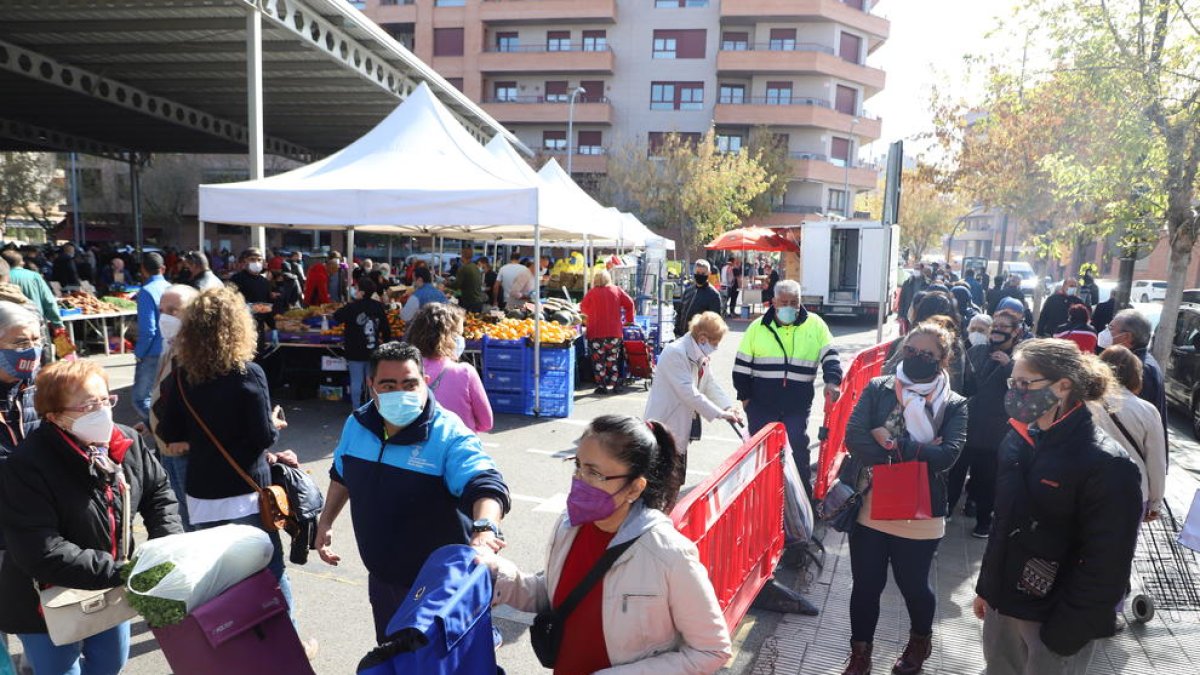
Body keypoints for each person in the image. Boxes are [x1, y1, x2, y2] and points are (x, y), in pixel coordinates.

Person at [481, 415, 732, 673]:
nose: (579, 480)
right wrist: (499, 577)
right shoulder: (570, 526)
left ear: (634, 489)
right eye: (578, 466)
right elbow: (555, 592)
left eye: (594, 472)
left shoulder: (668, 555)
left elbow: (711, 649)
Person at [314, 341, 511, 642]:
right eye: (388, 384)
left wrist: (484, 528)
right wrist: (326, 521)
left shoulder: (448, 433)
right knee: (393, 657)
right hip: (382, 579)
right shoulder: (357, 425)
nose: (400, 393)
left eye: (409, 383)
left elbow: (485, 482)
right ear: (371, 385)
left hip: (440, 588)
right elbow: (341, 473)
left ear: (425, 382)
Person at [0, 360, 181, 674]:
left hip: (109, 588)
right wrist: (124, 573)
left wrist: (165, 547)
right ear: (54, 416)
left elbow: (158, 493)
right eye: (88, 406)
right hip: (44, 601)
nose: (102, 412)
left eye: (105, 400)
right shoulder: (26, 465)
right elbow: (42, 550)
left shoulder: (126, 442)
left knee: (110, 664)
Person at [974, 339, 1142, 674]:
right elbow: (1003, 523)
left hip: (1053, 624)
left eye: (1025, 383)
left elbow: (1107, 564)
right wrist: (986, 589)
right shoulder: (1018, 439)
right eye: (1014, 383)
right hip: (1002, 608)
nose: (1017, 392)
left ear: (1063, 386)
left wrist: (1064, 635)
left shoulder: (1107, 464)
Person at [152, 287, 299, 617]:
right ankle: (284, 649)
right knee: (269, 572)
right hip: (246, 491)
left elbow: (169, 430)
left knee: (220, 578)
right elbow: (263, 437)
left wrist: (195, 438)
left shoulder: (182, 377)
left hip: (202, 495)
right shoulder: (248, 374)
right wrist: (275, 422)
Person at [840, 323, 968, 675]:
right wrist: (919, 452)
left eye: (927, 354)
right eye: (911, 351)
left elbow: (948, 458)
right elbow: (854, 438)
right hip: (871, 506)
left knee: (914, 586)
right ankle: (860, 654)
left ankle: (919, 642)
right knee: (866, 585)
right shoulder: (879, 387)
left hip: (921, 512)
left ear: (943, 359)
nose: (916, 358)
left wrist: (891, 444)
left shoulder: (954, 405)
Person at [733, 279, 841, 495]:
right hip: (762, 405)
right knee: (761, 456)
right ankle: (762, 499)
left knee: (798, 451)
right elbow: (741, 367)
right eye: (784, 302)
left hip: (796, 405)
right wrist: (746, 401)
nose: (790, 307)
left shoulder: (816, 325)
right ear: (773, 302)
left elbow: (830, 355)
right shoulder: (757, 328)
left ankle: (803, 503)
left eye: (795, 302)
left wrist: (833, 380)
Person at [952, 308, 1024, 537]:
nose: (998, 331)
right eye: (995, 326)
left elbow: (1023, 395)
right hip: (966, 426)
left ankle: (984, 521)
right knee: (954, 476)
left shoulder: (1020, 360)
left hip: (994, 433)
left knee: (987, 480)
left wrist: (1008, 367)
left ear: (1016, 332)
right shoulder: (978, 351)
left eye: (1004, 327)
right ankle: (944, 513)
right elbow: (962, 381)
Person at [645, 310, 740, 462]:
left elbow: (709, 382)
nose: (716, 348)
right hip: (665, 423)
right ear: (702, 338)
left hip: (679, 425)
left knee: (676, 472)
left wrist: (726, 407)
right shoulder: (676, 353)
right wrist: (720, 413)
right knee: (663, 476)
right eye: (715, 344)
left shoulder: (698, 352)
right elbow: (688, 392)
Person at [1093, 346, 1167, 522]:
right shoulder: (1147, 411)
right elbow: (1156, 461)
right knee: (1121, 548)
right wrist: (1156, 502)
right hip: (1132, 492)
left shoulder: (1083, 402)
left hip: (1087, 488)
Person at [147, 284, 200, 531]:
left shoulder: (200, 354)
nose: (165, 317)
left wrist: (187, 439)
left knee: (193, 523)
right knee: (181, 515)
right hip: (167, 448)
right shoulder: (172, 345)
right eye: (161, 310)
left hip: (184, 453)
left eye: (173, 310)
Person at [406, 303, 492, 433]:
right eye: (458, 334)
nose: (461, 340)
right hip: (459, 447)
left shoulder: (403, 370)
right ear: (445, 337)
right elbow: (486, 422)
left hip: (417, 449)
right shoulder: (465, 372)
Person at [1106, 308, 1168, 442]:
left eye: (1111, 328)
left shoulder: (1139, 369)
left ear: (1127, 337)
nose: (1107, 333)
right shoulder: (1137, 361)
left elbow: (1131, 420)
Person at [334, 278, 392, 409]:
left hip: (354, 351)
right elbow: (386, 329)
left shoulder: (352, 307)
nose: (355, 290)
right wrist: (386, 344)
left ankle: (356, 409)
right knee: (372, 381)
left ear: (362, 292)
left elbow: (337, 316)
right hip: (373, 351)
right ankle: (373, 408)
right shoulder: (378, 306)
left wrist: (350, 304)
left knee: (356, 381)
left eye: (357, 288)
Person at [579, 269, 636, 395]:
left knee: (598, 361)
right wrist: (629, 320)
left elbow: (583, 308)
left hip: (596, 332)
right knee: (612, 359)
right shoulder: (616, 290)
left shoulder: (591, 293)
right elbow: (630, 303)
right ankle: (615, 384)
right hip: (614, 332)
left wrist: (591, 315)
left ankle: (602, 386)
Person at [132, 252, 170, 424]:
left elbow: (148, 330)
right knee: (164, 397)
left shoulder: (146, 292)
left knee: (141, 399)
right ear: (163, 268)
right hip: (171, 349)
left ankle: (163, 431)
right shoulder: (170, 288)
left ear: (143, 270)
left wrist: (139, 353)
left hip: (153, 352)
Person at [1, 250, 62, 331]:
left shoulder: (3, 278)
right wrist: (57, 323)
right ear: (21, 262)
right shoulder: (34, 276)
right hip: (35, 323)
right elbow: (48, 301)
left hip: (8, 327)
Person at [230, 247, 275, 338]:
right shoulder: (236, 279)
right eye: (252, 259)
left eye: (259, 260)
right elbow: (230, 305)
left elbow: (267, 307)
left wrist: (273, 327)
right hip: (241, 329)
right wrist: (252, 307)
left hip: (259, 329)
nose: (256, 263)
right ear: (244, 262)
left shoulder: (264, 282)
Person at [674, 260, 723, 339]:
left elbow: (715, 321)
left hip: (699, 340)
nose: (700, 275)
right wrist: (677, 331)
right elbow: (680, 312)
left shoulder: (713, 295)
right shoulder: (688, 291)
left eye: (703, 273)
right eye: (698, 272)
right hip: (682, 337)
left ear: (709, 274)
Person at [445, 246, 484, 313]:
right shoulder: (475, 267)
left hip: (469, 302)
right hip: (479, 301)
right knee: (476, 322)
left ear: (462, 256)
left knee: (467, 321)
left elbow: (456, 285)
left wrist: (446, 283)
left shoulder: (463, 268)